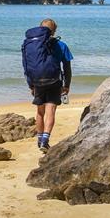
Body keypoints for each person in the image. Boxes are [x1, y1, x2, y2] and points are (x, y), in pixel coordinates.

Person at [21, 18, 73, 153]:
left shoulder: (30, 45)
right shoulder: (61, 45)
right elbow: (67, 68)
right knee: (50, 110)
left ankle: (39, 139)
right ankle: (45, 140)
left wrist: (31, 85)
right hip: (54, 81)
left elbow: (26, 66)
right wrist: (66, 85)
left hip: (37, 81)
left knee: (40, 111)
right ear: (53, 31)